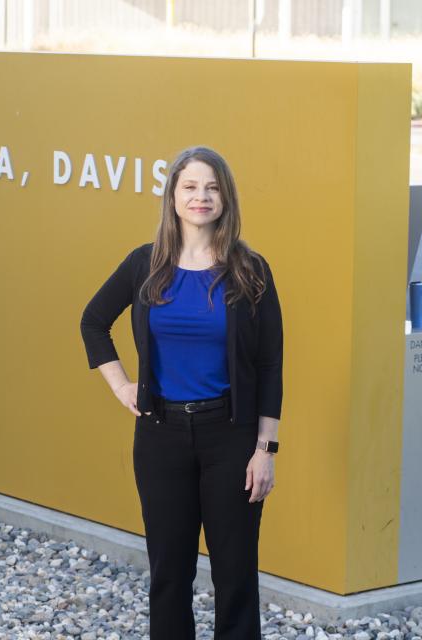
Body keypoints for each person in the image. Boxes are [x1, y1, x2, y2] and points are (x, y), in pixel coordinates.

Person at [79, 145, 283, 639]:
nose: (201, 197)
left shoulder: (249, 269)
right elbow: (92, 322)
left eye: (212, 187)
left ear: (225, 198)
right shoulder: (143, 265)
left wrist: (265, 450)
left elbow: (270, 364)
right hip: (160, 435)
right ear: (172, 197)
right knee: (170, 572)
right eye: (190, 187)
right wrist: (122, 386)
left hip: (230, 438)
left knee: (235, 574)